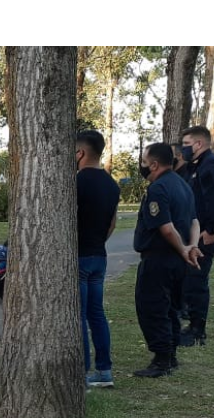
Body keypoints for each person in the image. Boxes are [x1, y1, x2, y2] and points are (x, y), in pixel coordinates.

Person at [133, 142, 202, 378]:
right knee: (171, 308)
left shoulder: (158, 188)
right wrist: (191, 246)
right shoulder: (183, 185)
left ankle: (162, 359)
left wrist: (184, 248)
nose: (142, 165)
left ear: (153, 164)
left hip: (159, 258)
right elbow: (194, 221)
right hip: (177, 261)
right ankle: (170, 356)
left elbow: (165, 227)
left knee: (152, 307)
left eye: (144, 161)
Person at [179, 125, 214, 347]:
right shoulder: (195, 166)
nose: (184, 149)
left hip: (205, 233)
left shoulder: (210, 166)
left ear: (199, 144)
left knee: (196, 281)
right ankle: (191, 324)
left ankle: (197, 331)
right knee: (189, 280)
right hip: (194, 232)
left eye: (187, 144)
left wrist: (211, 230)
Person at [76, 130, 120, 388]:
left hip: (79, 256)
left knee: (79, 316)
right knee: (97, 314)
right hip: (99, 256)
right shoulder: (111, 184)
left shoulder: (76, 182)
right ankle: (104, 371)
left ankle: (81, 372)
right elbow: (112, 223)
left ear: (80, 152)